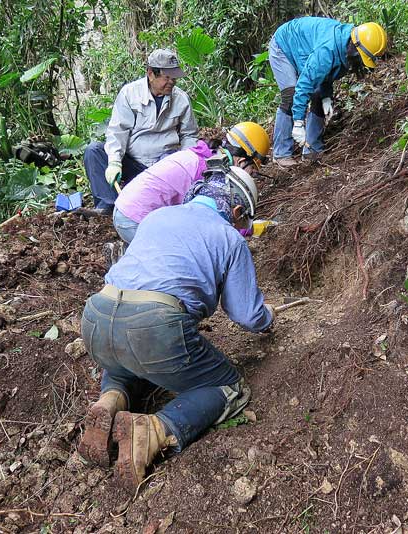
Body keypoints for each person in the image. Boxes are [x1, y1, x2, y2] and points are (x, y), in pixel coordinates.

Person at [77, 162, 275, 489]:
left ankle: (109, 400)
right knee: (228, 387)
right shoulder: (229, 237)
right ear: (237, 210)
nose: (243, 226)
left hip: (97, 316)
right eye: (244, 220)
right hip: (154, 326)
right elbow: (248, 316)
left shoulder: (158, 216)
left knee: (126, 357)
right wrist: (267, 315)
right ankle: (153, 431)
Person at [112, 121, 270, 243]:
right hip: (133, 219)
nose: (251, 175)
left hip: (127, 209)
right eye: (252, 170)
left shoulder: (206, 157)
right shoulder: (206, 171)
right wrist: (248, 229)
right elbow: (209, 224)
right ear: (242, 160)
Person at [83, 48, 199, 214]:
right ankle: (108, 206)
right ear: (151, 73)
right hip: (133, 162)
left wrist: (186, 164)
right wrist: (115, 162)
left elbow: (189, 135)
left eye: (174, 78)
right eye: (167, 77)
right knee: (93, 151)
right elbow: (118, 131)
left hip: (163, 164)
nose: (172, 82)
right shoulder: (130, 94)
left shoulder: (181, 99)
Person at [268, 18, 388, 166]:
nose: (361, 63)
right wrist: (298, 122)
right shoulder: (327, 51)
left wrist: (326, 97)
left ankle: (312, 150)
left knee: (318, 94)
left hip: (307, 51)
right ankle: (281, 154)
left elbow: (326, 75)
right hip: (284, 47)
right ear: (355, 47)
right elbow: (305, 83)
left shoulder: (346, 48)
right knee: (291, 95)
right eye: (361, 58)